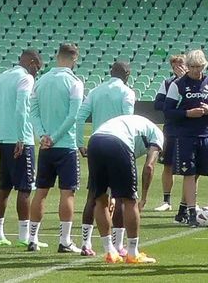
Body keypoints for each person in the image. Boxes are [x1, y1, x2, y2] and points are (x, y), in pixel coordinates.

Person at [75, 59, 137, 255]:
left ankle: (86, 243)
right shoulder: (127, 92)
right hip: (119, 146)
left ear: (111, 72)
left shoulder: (96, 91)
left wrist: (80, 143)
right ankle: (118, 245)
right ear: (127, 76)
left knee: (94, 196)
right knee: (122, 197)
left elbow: (79, 117)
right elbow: (129, 121)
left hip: (97, 145)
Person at [84, 112, 163, 265]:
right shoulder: (158, 135)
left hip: (94, 140)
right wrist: (143, 198)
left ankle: (110, 251)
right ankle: (133, 253)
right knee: (130, 201)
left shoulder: (138, 124)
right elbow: (149, 167)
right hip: (118, 143)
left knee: (101, 200)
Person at [29, 42, 85, 254]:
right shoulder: (75, 82)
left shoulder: (41, 81)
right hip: (65, 145)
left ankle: (32, 238)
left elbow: (33, 112)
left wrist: (42, 135)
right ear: (74, 58)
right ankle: (65, 240)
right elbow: (73, 116)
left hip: (46, 146)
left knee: (41, 191)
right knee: (67, 193)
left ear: (57, 56)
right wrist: (54, 138)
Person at [0, 48, 41, 247]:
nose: (37, 72)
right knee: (25, 188)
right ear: (32, 63)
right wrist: (21, 136)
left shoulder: (1, 78)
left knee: (4, 188)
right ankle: (24, 236)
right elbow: (21, 108)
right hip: (21, 140)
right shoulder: (26, 79)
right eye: (37, 68)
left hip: (3, 139)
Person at [164, 49, 208, 227]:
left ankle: (182, 210)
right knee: (189, 173)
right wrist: (187, 113)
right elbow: (167, 111)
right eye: (192, 66)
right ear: (187, 66)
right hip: (185, 136)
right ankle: (192, 213)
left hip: (205, 134)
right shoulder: (178, 84)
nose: (195, 70)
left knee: (197, 174)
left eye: (199, 67)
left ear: (204, 66)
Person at [151, 52, 186, 212]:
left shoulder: (193, 83)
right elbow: (157, 104)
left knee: (190, 168)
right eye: (174, 67)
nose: (177, 69)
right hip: (171, 128)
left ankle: (189, 201)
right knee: (167, 165)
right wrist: (171, 104)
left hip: (188, 129)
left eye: (180, 65)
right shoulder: (167, 83)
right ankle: (167, 200)